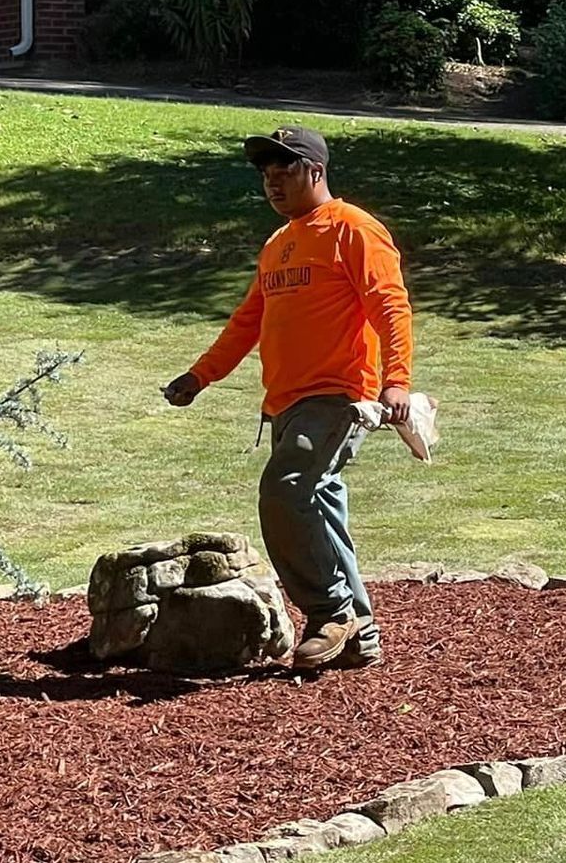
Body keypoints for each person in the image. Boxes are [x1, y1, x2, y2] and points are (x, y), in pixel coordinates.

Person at [164, 125, 414, 670]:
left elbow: (390, 306)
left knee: (286, 489)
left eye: (285, 171)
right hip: (284, 402)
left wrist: (396, 379)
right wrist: (200, 375)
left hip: (337, 396)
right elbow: (248, 321)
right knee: (318, 505)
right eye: (266, 175)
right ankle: (361, 633)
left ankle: (330, 613)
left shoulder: (354, 230)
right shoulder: (278, 245)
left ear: (316, 172)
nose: (273, 183)